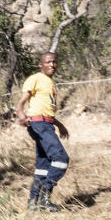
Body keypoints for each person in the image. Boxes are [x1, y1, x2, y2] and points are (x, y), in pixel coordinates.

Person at [15, 51, 70, 211]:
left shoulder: (50, 83)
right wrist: (20, 113)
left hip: (46, 123)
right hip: (39, 125)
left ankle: (33, 203)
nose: (52, 64)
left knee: (43, 165)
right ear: (41, 64)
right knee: (61, 158)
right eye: (48, 62)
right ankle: (44, 196)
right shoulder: (35, 79)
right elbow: (21, 102)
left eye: (54, 62)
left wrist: (59, 125)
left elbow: (46, 110)